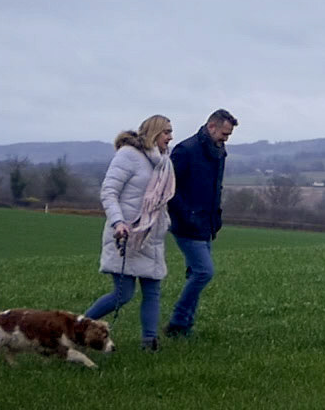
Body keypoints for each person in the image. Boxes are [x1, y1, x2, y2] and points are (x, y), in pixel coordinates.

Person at [84, 114, 176, 351]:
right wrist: (118, 222)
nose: (170, 136)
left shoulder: (164, 161)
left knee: (153, 290)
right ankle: (78, 328)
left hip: (151, 236)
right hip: (125, 234)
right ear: (155, 132)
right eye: (166, 131)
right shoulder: (128, 156)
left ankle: (149, 342)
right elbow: (109, 192)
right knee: (123, 294)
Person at [164, 108, 237, 338]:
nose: (226, 139)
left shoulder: (218, 151)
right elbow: (170, 189)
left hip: (207, 223)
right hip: (186, 223)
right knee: (204, 272)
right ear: (211, 126)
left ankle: (185, 326)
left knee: (195, 273)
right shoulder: (186, 151)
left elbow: (216, 188)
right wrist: (188, 216)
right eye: (224, 133)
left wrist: (216, 217)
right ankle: (177, 322)